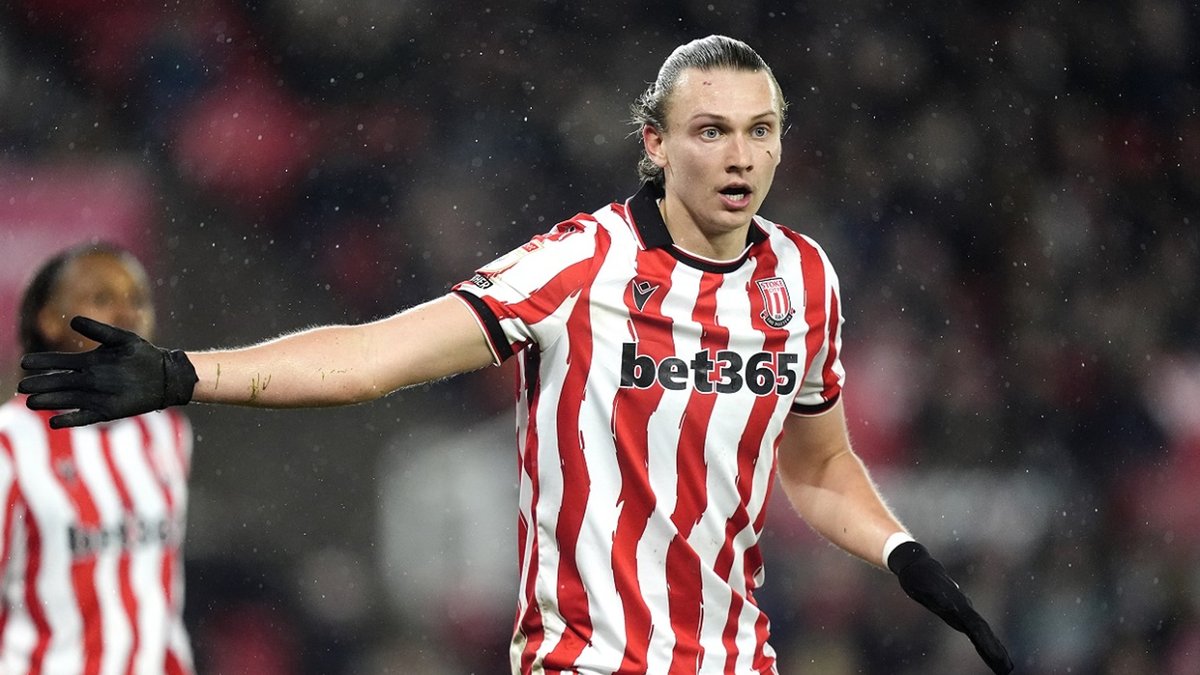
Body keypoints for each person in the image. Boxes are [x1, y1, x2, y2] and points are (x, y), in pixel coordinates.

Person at [19, 36, 1013, 674]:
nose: (741, 156)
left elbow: (820, 466)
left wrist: (903, 552)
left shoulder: (804, 277)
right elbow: (374, 356)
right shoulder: (582, 263)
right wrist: (187, 372)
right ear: (654, 144)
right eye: (712, 130)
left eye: (761, 131)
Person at [2, 242, 195, 674]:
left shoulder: (166, 431)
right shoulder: (10, 442)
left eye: (138, 300)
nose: (127, 315)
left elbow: (161, 589)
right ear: (48, 320)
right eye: (102, 298)